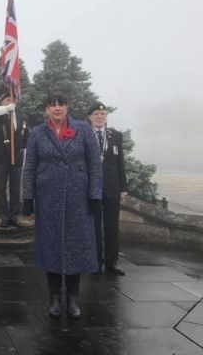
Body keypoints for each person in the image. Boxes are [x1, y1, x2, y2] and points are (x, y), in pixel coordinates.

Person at [22, 92, 102, 319]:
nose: (57, 109)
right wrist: (28, 197)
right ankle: (55, 298)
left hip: (78, 196)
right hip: (48, 197)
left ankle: (73, 299)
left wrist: (95, 195)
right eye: (52, 105)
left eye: (61, 104)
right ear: (46, 109)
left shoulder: (83, 129)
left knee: (76, 247)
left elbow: (95, 164)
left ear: (67, 108)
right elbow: (30, 167)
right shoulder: (38, 133)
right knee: (52, 247)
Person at [87, 102, 128, 276]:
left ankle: (112, 262)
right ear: (90, 117)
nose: (100, 117)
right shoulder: (84, 134)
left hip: (112, 186)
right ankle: (95, 261)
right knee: (93, 226)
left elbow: (120, 163)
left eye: (103, 114)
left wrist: (123, 187)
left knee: (112, 225)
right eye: (96, 114)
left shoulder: (115, 136)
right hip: (91, 187)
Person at [0, 92, 30, 228]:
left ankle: (14, 216)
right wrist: (5, 109)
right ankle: (4, 216)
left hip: (16, 157)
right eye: (7, 99)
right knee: (1, 188)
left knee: (16, 189)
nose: (10, 101)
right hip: (1, 157)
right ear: (2, 102)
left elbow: (25, 135)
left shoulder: (22, 116)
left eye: (12, 100)